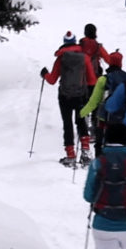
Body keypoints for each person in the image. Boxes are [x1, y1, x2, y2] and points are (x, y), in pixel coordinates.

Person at [40, 31, 99, 166]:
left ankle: (70, 155)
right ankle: (85, 153)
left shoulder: (61, 59)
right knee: (81, 122)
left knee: (67, 124)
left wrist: (44, 74)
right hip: (80, 95)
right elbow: (91, 80)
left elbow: (52, 80)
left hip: (64, 96)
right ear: (75, 41)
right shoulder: (84, 57)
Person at [78, 48, 126, 155]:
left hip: (104, 121)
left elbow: (93, 102)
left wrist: (81, 113)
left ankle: (100, 166)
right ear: (120, 64)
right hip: (123, 121)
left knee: (100, 146)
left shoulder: (103, 80)